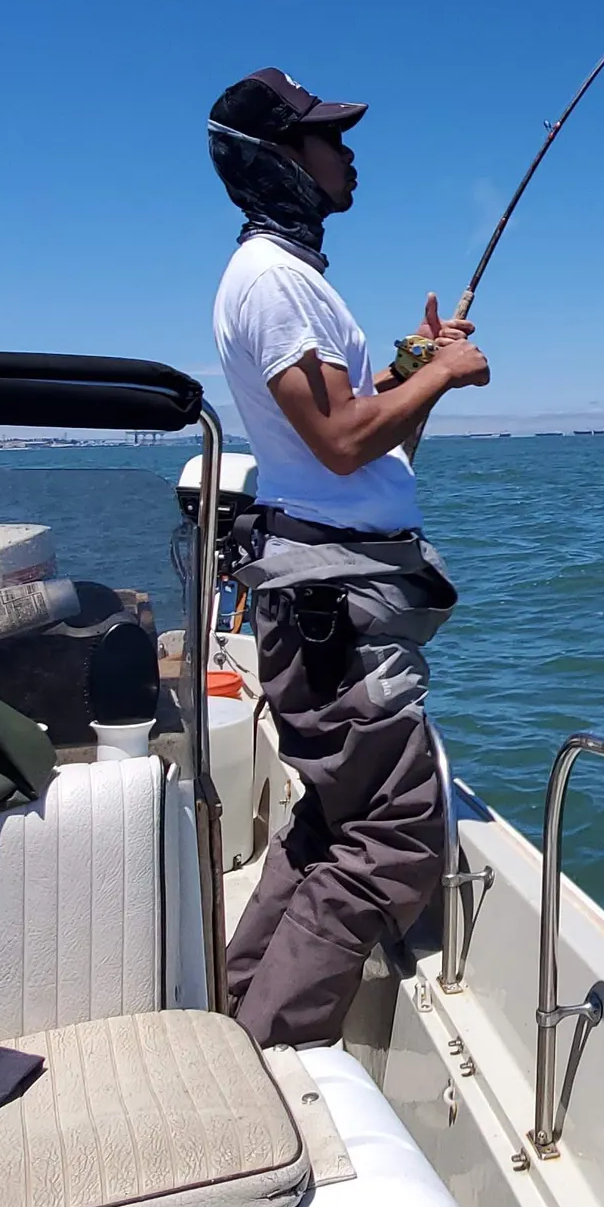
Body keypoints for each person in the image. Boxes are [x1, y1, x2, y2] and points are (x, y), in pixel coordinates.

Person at [207, 65, 489, 1045]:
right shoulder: (276, 283)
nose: (349, 151)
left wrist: (415, 366)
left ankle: (235, 1019)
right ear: (279, 158)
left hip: (329, 588)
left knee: (336, 821)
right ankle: (267, 1057)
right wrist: (447, 373)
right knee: (395, 838)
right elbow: (339, 441)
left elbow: (358, 427)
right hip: (333, 597)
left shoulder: (284, 278)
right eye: (330, 136)